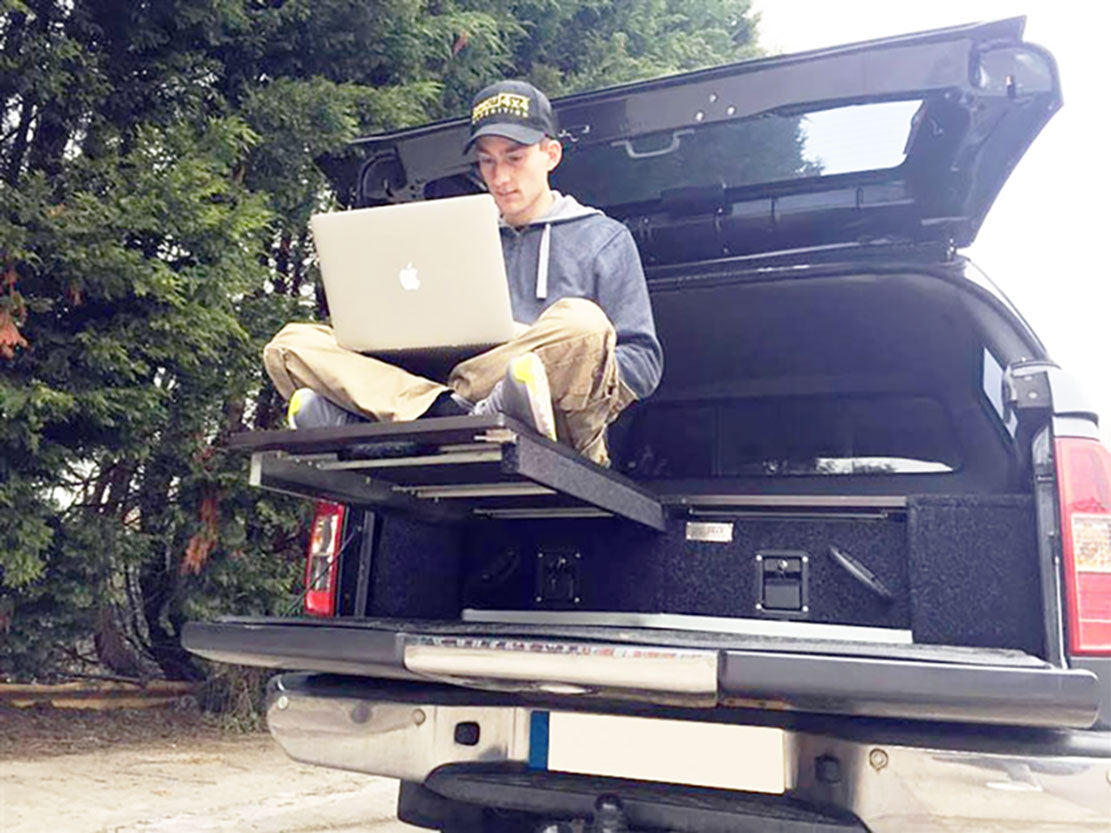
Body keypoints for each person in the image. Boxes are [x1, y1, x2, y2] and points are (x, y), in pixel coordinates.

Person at [262, 80, 662, 467]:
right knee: (289, 345)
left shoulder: (603, 238)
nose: (500, 177)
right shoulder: (454, 232)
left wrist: (540, 354)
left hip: (558, 424)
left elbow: (643, 363)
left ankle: (423, 412)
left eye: (514, 158)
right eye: (487, 161)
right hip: (447, 390)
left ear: (551, 154)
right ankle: (443, 412)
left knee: (583, 324)